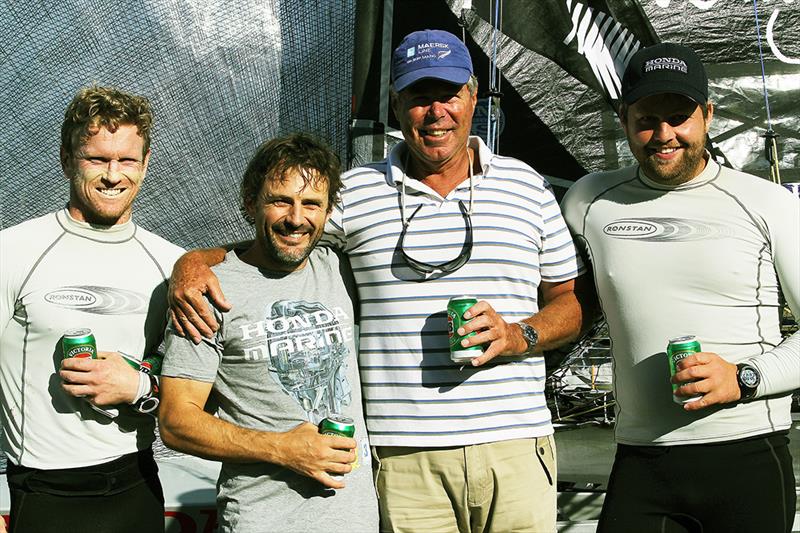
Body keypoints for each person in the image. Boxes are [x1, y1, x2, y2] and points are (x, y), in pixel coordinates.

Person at [169, 30, 592, 532]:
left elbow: (570, 303)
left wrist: (518, 335)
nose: (435, 111)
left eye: (449, 93)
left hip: (515, 447)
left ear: (473, 97)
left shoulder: (526, 185)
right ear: (396, 105)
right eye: (418, 96)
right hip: (404, 460)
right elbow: (283, 232)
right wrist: (193, 262)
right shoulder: (356, 192)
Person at [561, 42, 800, 532]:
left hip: (748, 455)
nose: (664, 135)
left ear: (708, 115)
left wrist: (747, 376)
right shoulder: (587, 201)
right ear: (624, 118)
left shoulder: (767, 203)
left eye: (679, 117)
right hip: (641, 460)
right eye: (648, 118)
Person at [158, 133, 379, 532]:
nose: (296, 218)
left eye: (311, 204)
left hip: (356, 520)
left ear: (328, 213)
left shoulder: (341, 269)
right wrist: (282, 448)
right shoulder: (207, 291)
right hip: (263, 521)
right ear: (250, 203)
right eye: (280, 200)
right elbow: (175, 421)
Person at [0, 86, 182, 533]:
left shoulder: (170, 264)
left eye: (127, 160)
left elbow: (196, 390)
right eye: (97, 159)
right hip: (44, 495)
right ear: (66, 159)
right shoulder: (13, 251)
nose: (113, 175)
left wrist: (139, 384)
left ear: (146, 163)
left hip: (138, 485)